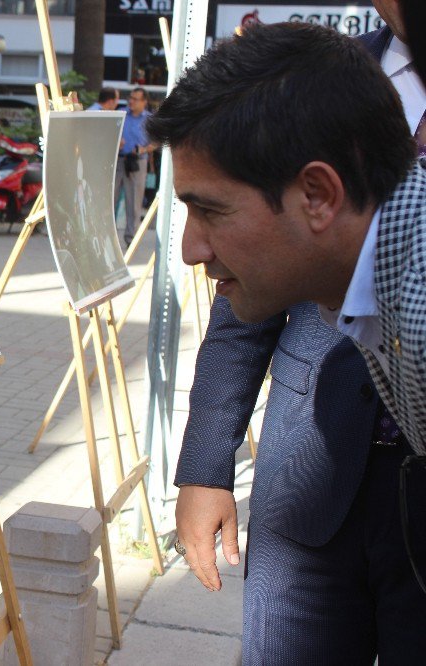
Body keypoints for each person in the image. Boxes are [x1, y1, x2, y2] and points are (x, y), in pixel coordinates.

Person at [147, 20, 426, 663]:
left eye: (209, 211)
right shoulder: (380, 265)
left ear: (319, 195)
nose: (189, 250)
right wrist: (204, 466)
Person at [114, 87, 153, 246]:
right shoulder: (121, 114)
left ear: (144, 102)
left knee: (134, 203)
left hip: (137, 161)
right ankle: (108, 238)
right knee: (110, 200)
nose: (131, 101)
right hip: (118, 160)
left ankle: (131, 240)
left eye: (136, 99)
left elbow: (157, 141)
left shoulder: (150, 119)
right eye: (130, 98)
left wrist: (144, 149)